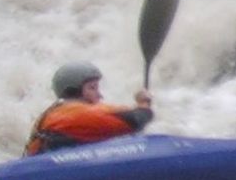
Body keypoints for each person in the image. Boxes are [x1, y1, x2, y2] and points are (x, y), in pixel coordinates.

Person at [24, 61, 154, 156]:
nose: (99, 95)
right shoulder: (73, 113)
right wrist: (143, 103)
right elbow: (134, 119)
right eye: (92, 88)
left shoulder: (57, 111)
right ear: (74, 91)